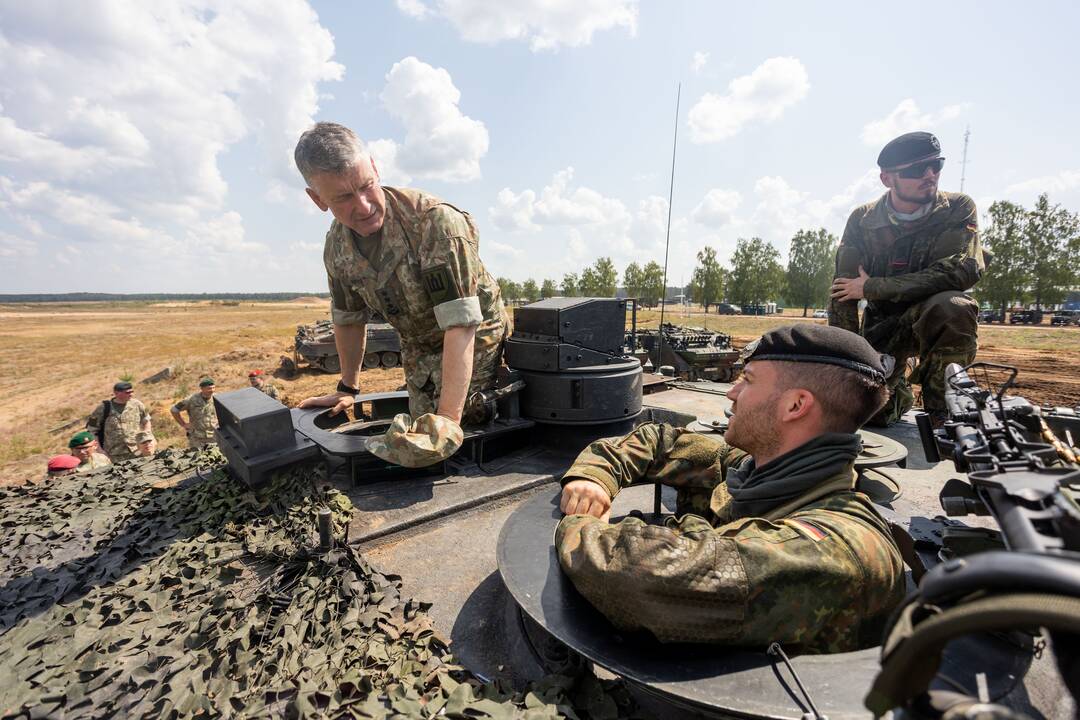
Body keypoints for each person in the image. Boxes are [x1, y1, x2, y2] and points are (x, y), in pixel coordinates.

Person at [555, 325, 906, 653]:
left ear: (795, 406)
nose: (732, 392)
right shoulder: (760, 469)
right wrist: (593, 477)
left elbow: (641, 575)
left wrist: (580, 523)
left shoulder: (836, 550)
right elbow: (659, 440)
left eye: (747, 381)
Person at [292, 122, 511, 448]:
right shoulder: (337, 248)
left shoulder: (433, 223)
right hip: (418, 346)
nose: (364, 206)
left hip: (476, 340)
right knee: (417, 441)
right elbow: (348, 319)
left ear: (376, 168)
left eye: (367, 186)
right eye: (344, 198)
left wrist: (449, 419)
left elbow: (461, 322)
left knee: (465, 432)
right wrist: (348, 388)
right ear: (317, 199)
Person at [829, 131, 983, 426]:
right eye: (915, 170)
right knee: (870, 414)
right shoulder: (863, 220)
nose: (929, 176)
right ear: (887, 179)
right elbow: (842, 294)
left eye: (936, 166)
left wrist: (872, 287)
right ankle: (899, 388)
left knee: (953, 305)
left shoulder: (958, 209)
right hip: (884, 329)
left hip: (936, 320)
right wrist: (848, 364)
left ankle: (944, 415)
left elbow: (960, 271)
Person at [86, 381, 155, 461]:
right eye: (127, 392)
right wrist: (99, 450)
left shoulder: (137, 404)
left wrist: (147, 437)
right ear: (116, 393)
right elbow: (92, 431)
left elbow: (146, 420)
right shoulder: (103, 408)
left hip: (136, 450)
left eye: (132, 392)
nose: (131, 394)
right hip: (113, 455)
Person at [171, 378, 218, 449]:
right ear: (202, 389)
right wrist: (183, 424)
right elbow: (174, 410)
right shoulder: (191, 399)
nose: (212, 390)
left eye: (213, 388)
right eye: (209, 388)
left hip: (214, 436)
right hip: (197, 438)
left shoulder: (217, 398)